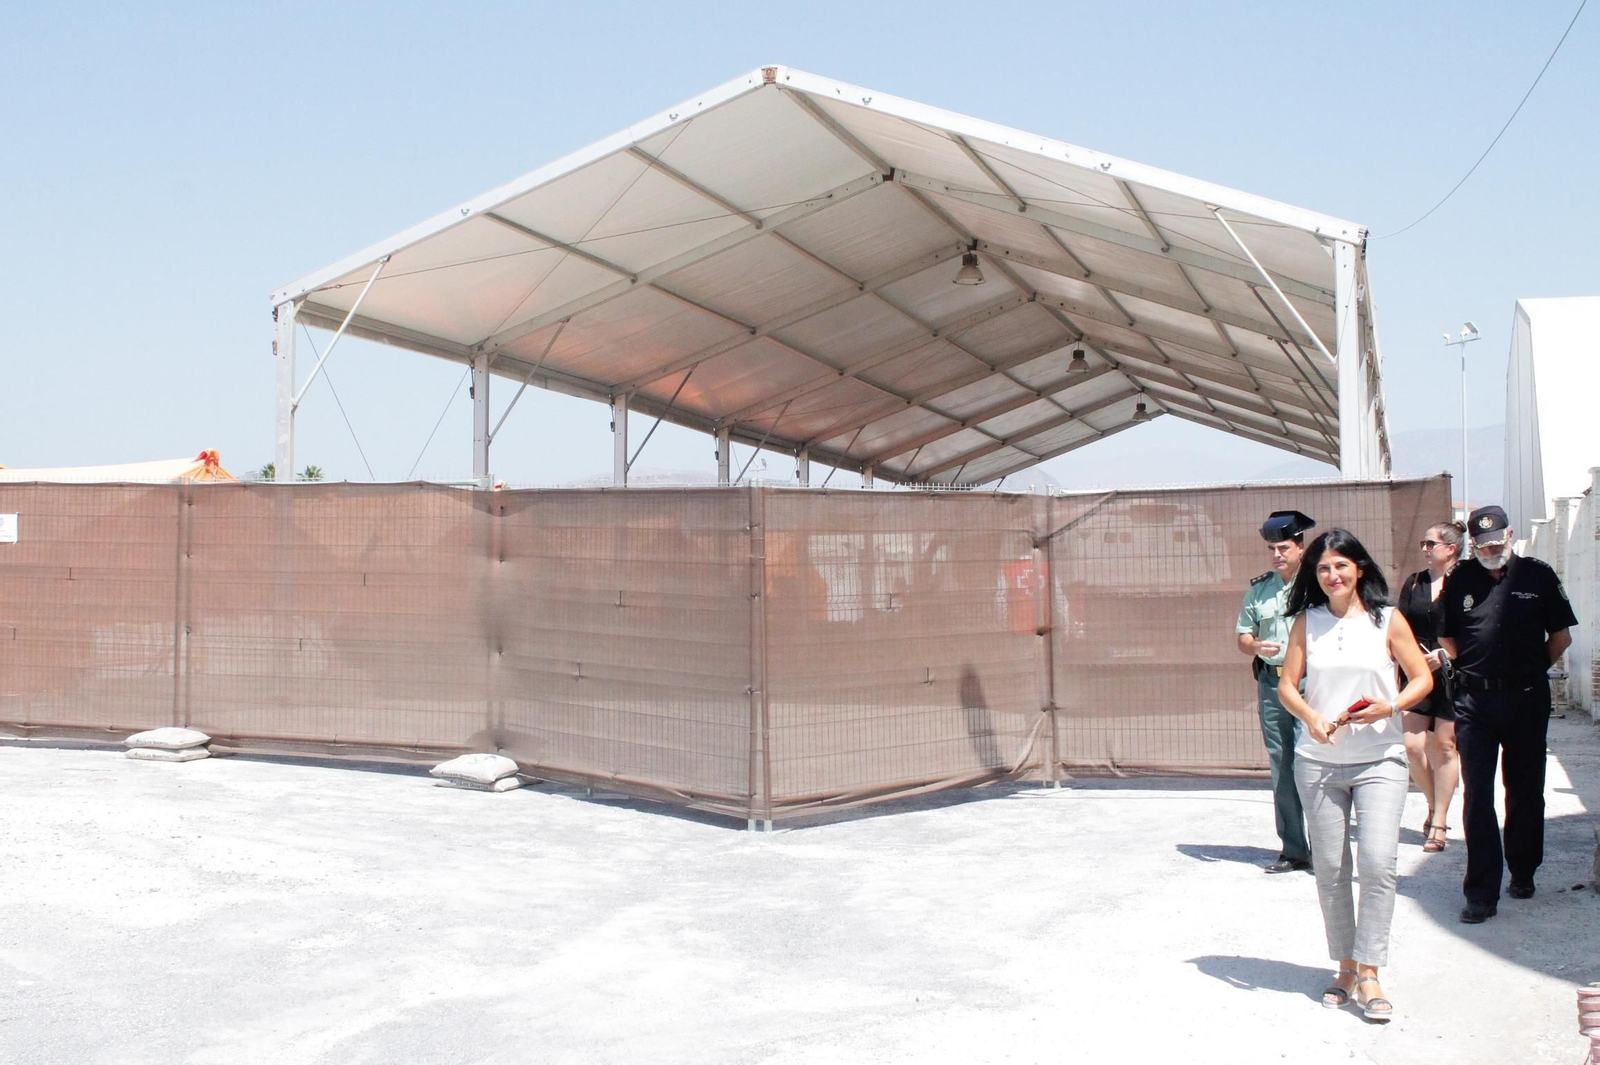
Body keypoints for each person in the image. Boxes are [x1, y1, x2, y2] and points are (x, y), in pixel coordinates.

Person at [1277, 529, 1433, 1023]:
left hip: (1380, 759)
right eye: (1323, 569)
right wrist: (1312, 718)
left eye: (1341, 566)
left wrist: (1392, 704)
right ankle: (1344, 965)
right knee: (1331, 869)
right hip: (1319, 762)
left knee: (1379, 862)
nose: (1333, 575)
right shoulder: (1307, 621)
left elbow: (1423, 677)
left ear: (1359, 568)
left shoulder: (1388, 619)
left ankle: (1371, 969)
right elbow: (1287, 686)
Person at [1438, 505, 1578, 924]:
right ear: (1473, 546)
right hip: (1475, 704)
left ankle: (1523, 869)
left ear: (1511, 535)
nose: (1491, 550)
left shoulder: (1537, 575)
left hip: (1526, 700)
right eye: (1482, 545)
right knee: (1477, 795)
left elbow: (1561, 636)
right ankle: (1481, 893)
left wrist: (1531, 671)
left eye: (1497, 542)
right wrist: (1475, 672)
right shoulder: (1460, 577)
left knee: (1525, 788)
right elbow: (1446, 636)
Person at [1236, 510, 1315, 873]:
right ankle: (1295, 849)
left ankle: (1327, 846)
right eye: (1271, 548)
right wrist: (1253, 646)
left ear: (1301, 547)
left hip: (1311, 682)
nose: (1276, 555)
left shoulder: (1318, 584)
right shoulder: (1260, 589)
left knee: (1314, 760)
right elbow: (1243, 636)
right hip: (1271, 683)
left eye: (1283, 547)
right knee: (1282, 763)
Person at [1397, 520, 1465, 852]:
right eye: (1423, 544)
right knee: (1411, 745)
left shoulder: (1467, 582)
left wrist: (1445, 654)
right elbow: (1400, 626)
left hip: (1454, 674)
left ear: (1450, 549)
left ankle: (1439, 821)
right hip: (1417, 672)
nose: (1424, 549)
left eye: (1431, 544)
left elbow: (1476, 628)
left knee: (1445, 747)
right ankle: (1433, 803)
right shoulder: (1414, 583)